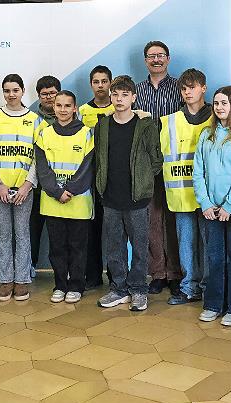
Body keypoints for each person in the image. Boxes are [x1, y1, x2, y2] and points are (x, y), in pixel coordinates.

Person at [95, 76, 162, 311]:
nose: (119, 99)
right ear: (110, 97)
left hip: (137, 198)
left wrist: (143, 182)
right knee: (114, 246)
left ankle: (139, 290)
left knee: (140, 246)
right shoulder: (102, 125)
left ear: (134, 97)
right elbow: (99, 159)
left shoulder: (145, 126)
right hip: (110, 196)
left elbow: (156, 160)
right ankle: (119, 288)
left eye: (125, 95)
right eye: (115, 94)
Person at [194, 86, 231, 326]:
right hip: (210, 209)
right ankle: (213, 304)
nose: (219, 107)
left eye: (224, 103)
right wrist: (206, 203)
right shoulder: (206, 134)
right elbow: (198, 172)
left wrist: (229, 204)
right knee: (214, 258)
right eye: (216, 103)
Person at [0, 74, 42, 302]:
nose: (11, 94)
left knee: (23, 233)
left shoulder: (36, 120)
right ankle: (5, 280)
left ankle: (22, 279)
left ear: (23, 91)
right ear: (3, 92)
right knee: (4, 234)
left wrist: (27, 185)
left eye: (15, 90)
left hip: (24, 188)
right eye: (7, 90)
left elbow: (38, 156)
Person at [35, 91, 94, 304]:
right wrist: (57, 191)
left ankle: (77, 285)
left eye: (67, 105)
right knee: (57, 247)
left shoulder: (87, 133)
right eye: (58, 105)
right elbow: (42, 168)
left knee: (78, 246)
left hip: (79, 202)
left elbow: (88, 167)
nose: (62, 109)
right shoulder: (44, 134)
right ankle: (60, 284)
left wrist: (70, 189)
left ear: (75, 108)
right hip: (52, 202)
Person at [161, 69, 213, 306]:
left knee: (208, 244)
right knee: (186, 243)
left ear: (203, 87)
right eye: (184, 88)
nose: (187, 92)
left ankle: (209, 288)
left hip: (209, 196)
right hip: (181, 193)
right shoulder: (169, 121)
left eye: (192, 87)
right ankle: (188, 287)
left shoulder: (218, 115)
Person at [135, 40, 183, 295]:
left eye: (160, 55)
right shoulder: (137, 91)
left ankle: (176, 272)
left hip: (174, 162)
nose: (156, 59)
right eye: (151, 56)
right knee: (152, 219)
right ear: (145, 60)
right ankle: (158, 273)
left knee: (174, 218)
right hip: (145, 164)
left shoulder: (179, 88)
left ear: (168, 58)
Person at [79, 65, 114, 290]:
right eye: (96, 81)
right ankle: (92, 275)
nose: (100, 85)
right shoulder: (82, 111)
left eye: (104, 81)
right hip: (89, 179)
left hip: (112, 178)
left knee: (113, 231)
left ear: (110, 83)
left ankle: (115, 275)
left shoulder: (120, 106)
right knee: (90, 230)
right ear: (91, 84)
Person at [31, 75, 62, 276]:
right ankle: (30, 266)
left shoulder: (70, 116)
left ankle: (62, 270)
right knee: (33, 229)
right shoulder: (32, 119)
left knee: (59, 232)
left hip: (60, 184)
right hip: (35, 183)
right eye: (44, 94)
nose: (49, 97)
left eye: (52, 93)